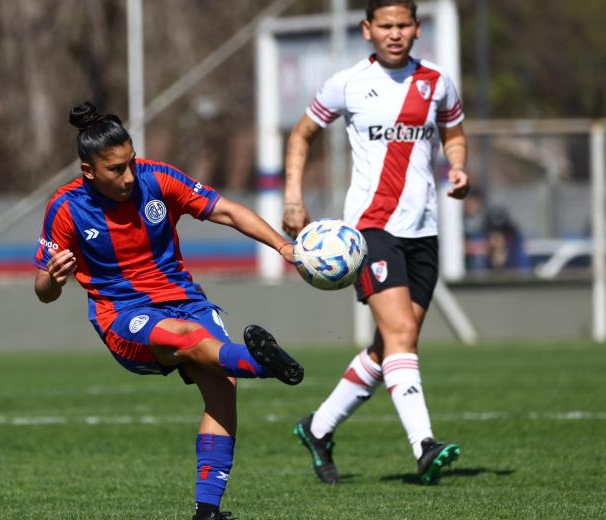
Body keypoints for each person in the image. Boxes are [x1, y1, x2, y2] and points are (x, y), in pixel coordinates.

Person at [34, 102, 304, 520]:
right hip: (124, 314)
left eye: (131, 162)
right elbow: (43, 292)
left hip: (186, 299)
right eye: (115, 169)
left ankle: (207, 511)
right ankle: (263, 363)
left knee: (223, 388)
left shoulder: (156, 178)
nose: (129, 176)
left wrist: (284, 247)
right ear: (88, 170)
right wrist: (54, 278)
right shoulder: (66, 207)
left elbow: (227, 210)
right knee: (186, 337)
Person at [282, 0, 470, 485]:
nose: (394, 33)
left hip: (423, 231)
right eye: (385, 25)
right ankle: (424, 446)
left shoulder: (437, 82)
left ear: (417, 28)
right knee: (402, 333)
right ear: (367, 29)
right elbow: (301, 135)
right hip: (371, 229)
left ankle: (317, 428)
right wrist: (293, 199)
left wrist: (458, 166)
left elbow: (454, 132)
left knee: (391, 346)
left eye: (403, 24)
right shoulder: (347, 83)